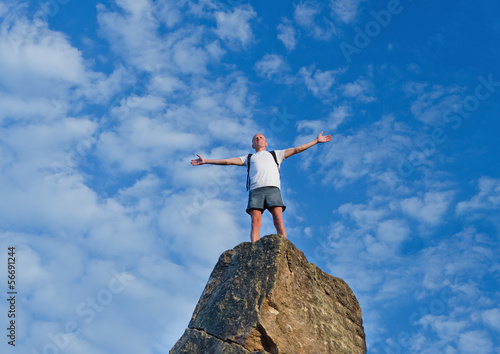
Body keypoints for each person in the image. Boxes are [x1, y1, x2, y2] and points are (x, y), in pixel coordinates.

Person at [190, 131, 332, 242]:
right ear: (253, 145)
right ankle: (254, 248)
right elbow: (227, 161)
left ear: (266, 143)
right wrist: (206, 161)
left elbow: (297, 149)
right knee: (255, 222)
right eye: (255, 139)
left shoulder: (276, 154)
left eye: (261, 137)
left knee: (278, 219)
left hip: (272, 189)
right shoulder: (249, 158)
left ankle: (283, 245)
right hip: (256, 191)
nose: (258, 139)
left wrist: (316, 141)